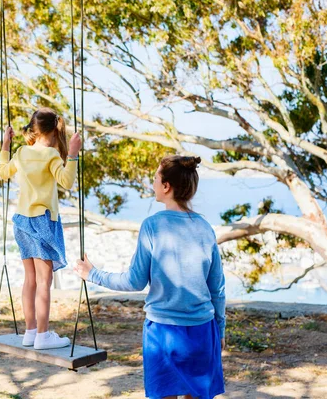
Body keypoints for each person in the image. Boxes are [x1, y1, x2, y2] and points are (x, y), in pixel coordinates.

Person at [74, 155, 225, 399]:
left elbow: (134, 281)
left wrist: (93, 275)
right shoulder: (205, 228)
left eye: (155, 179)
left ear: (166, 186)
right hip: (202, 332)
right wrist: (220, 332)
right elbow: (217, 289)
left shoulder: (152, 225)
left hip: (163, 333)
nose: (152, 184)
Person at [0, 107, 81, 350]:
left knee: (30, 280)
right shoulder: (52, 156)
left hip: (21, 221)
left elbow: (3, 172)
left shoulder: (22, 153)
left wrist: (5, 144)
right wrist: (73, 155)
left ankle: (31, 331)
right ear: (55, 130)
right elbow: (66, 182)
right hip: (43, 220)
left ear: (35, 129)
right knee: (45, 281)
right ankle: (43, 335)